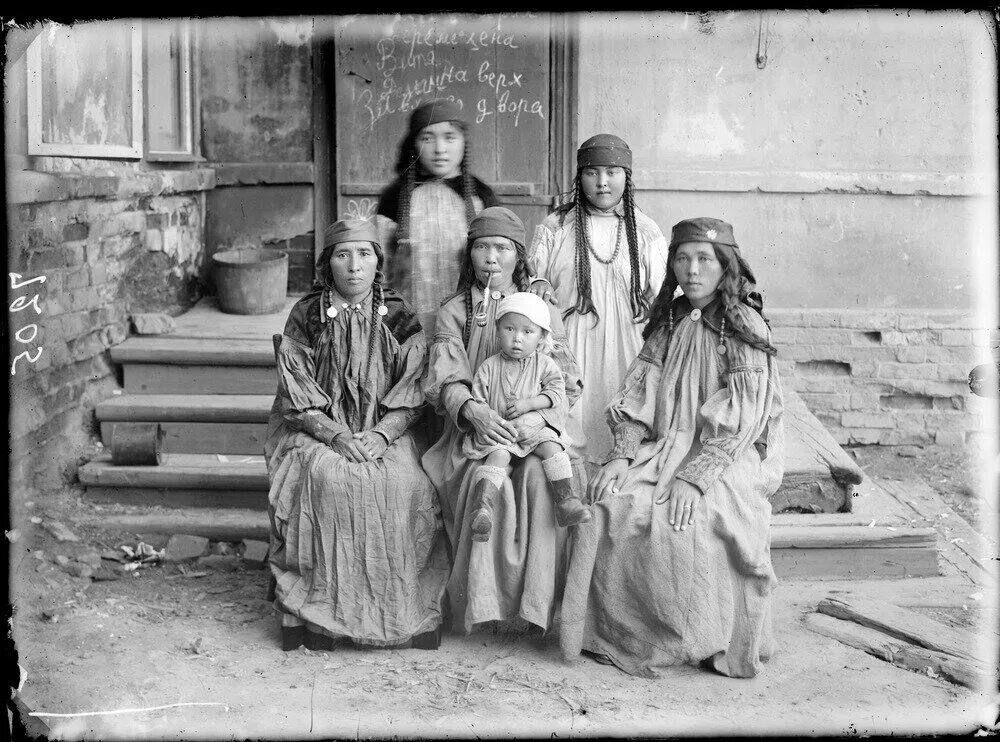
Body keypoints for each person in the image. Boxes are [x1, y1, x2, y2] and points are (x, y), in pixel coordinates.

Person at [559, 217, 785, 679]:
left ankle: (710, 636)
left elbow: (744, 416)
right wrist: (622, 451)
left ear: (726, 266)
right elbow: (640, 389)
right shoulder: (672, 320)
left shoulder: (742, 325)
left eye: (704, 259)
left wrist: (696, 476)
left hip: (726, 453)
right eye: (682, 258)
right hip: (667, 445)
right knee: (611, 504)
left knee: (695, 523)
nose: (692, 270)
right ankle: (632, 633)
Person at [264, 218, 450, 652]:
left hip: (387, 429)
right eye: (342, 254)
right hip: (317, 430)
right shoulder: (307, 315)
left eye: (364, 254)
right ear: (327, 262)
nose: (353, 266)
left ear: (378, 261)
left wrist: (383, 434)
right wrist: (334, 435)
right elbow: (296, 392)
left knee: (407, 485)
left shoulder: (399, 314)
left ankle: (406, 614)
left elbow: (414, 388)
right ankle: (317, 617)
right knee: (326, 482)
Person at [421, 207, 584, 635]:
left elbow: (568, 382)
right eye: (482, 247)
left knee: (539, 482)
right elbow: (444, 380)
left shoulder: (541, 309)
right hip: (473, 433)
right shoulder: (454, 311)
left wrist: (538, 417)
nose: (491, 257)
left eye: (502, 248)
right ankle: (483, 606)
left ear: (519, 256)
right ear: (469, 255)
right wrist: (474, 412)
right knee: (484, 484)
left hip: (533, 430)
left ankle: (534, 611)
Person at [528, 134, 669, 466]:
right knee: (570, 433)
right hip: (570, 344)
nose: (602, 182)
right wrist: (539, 284)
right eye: (592, 173)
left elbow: (665, 296)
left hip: (628, 345)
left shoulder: (645, 232)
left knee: (622, 426)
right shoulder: (555, 227)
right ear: (580, 177)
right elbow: (531, 280)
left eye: (612, 172)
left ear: (626, 177)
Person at [462, 292, 591, 540]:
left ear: (542, 336)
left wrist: (530, 404)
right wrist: (492, 419)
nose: (517, 339)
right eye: (510, 329)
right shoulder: (489, 366)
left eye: (527, 332)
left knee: (552, 447)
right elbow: (478, 399)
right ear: (498, 330)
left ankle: (566, 501)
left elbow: (556, 393)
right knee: (498, 455)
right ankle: (484, 508)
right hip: (503, 430)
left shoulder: (544, 364)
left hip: (535, 428)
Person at [377, 98, 499, 333]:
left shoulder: (480, 197)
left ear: (464, 143)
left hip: (469, 324)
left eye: (449, 137)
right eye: (427, 138)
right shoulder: (395, 199)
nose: (439, 149)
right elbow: (380, 271)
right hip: (409, 325)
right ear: (414, 144)